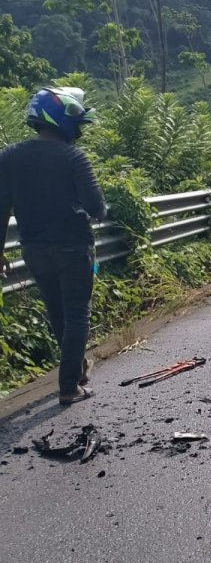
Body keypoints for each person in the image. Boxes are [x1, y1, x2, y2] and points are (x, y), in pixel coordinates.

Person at [0, 87, 105, 405]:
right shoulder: (73, 157)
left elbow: (2, 206)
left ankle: (77, 372)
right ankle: (69, 387)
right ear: (64, 120)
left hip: (34, 250)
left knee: (58, 313)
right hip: (72, 247)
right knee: (77, 315)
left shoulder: (9, 156)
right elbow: (95, 205)